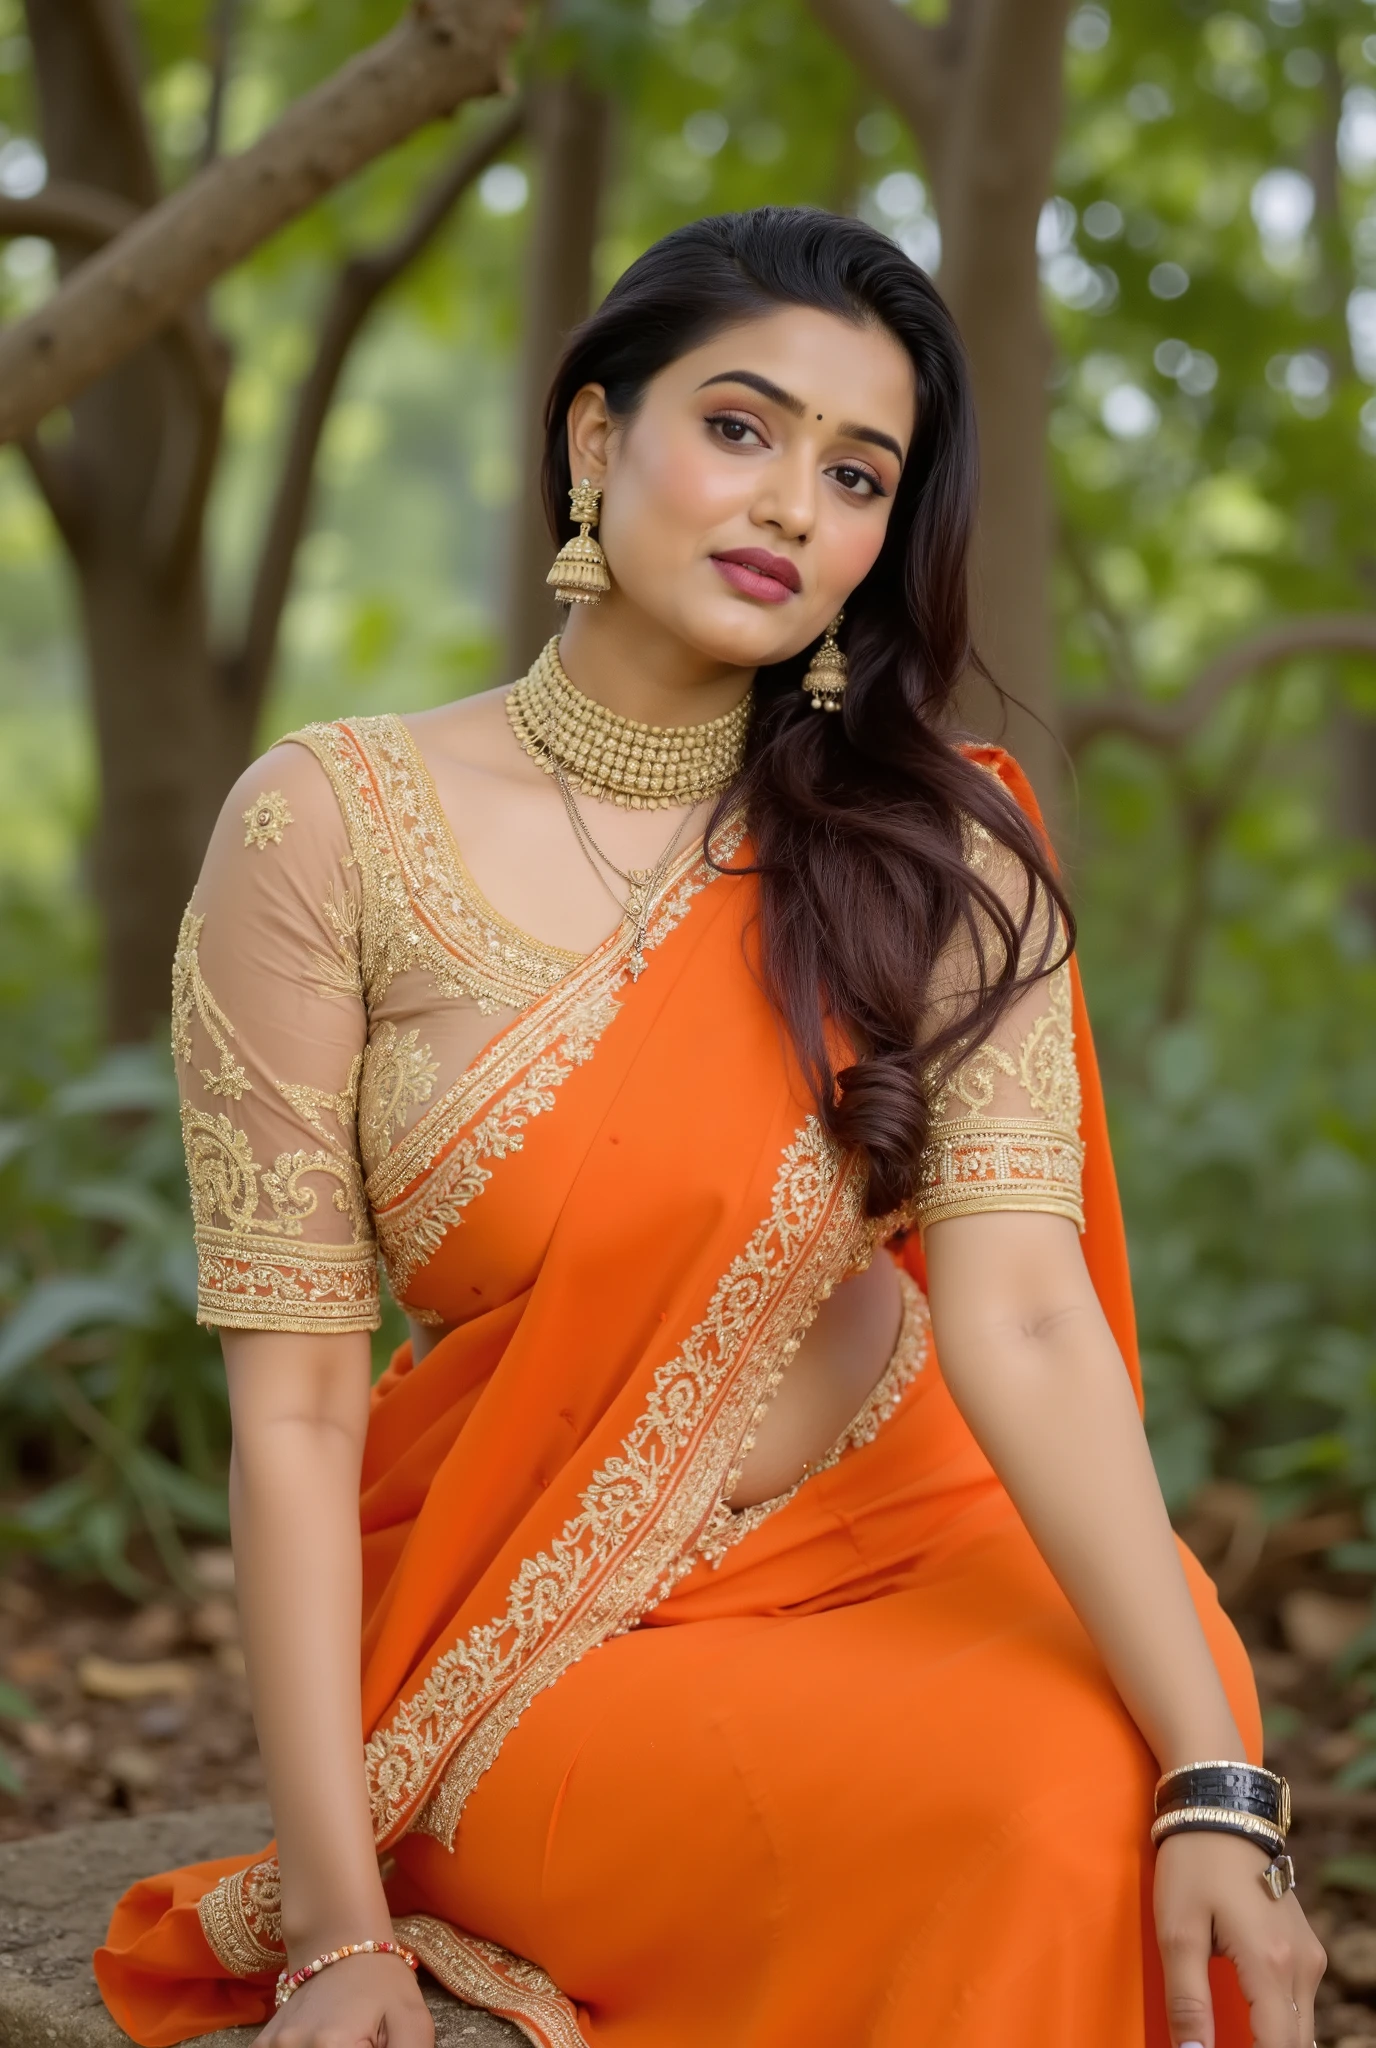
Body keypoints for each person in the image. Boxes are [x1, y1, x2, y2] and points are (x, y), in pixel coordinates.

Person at [95, 206, 1323, 2048]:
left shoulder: (940, 852)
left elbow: (1033, 1317)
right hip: (538, 1635)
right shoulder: (330, 830)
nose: (787, 507)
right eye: (738, 429)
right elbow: (294, 1408)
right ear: (599, 442)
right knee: (1003, 1835)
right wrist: (340, 1929)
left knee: (1112, 1793)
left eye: (855, 473)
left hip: (937, 1544)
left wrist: (1221, 1780)